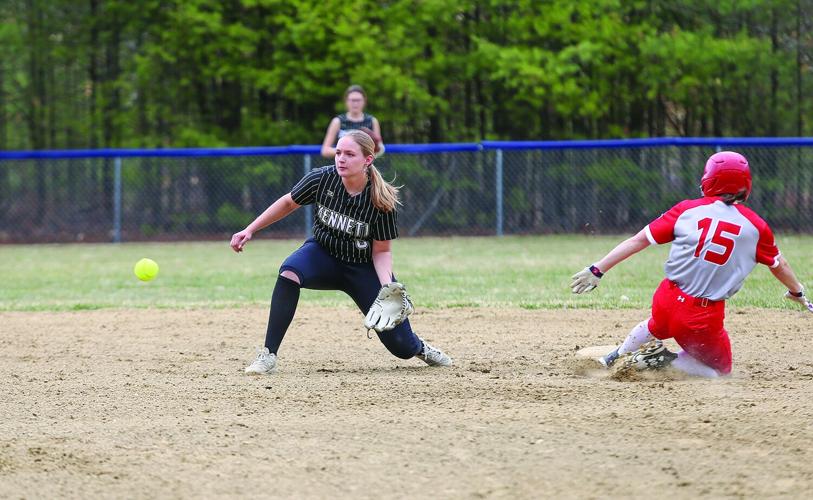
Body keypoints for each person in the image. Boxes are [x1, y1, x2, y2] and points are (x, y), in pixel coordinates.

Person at [570, 151, 809, 378]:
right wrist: (796, 291)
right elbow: (780, 265)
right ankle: (664, 361)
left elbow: (639, 240)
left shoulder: (687, 209)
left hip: (666, 297)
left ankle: (614, 357)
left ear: (709, 181)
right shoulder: (756, 227)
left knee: (655, 325)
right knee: (720, 371)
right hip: (701, 315)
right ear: (745, 186)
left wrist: (597, 269)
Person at [231, 130, 451, 374]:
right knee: (289, 273)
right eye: (338, 153)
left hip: (362, 267)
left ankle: (419, 347)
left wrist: (387, 286)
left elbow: (381, 252)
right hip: (322, 254)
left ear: (367, 160)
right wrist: (250, 230)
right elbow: (288, 202)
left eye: (349, 154)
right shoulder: (322, 179)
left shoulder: (381, 200)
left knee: (400, 347)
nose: (341, 159)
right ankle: (268, 355)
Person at [321, 85, 384, 158]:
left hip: (364, 166)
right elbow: (325, 150)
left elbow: (380, 148)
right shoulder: (338, 121)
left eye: (358, 100)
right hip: (342, 165)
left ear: (364, 101)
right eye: (352, 100)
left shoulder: (372, 121)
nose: (355, 103)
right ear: (346, 101)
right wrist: (347, 151)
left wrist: (363, 152)